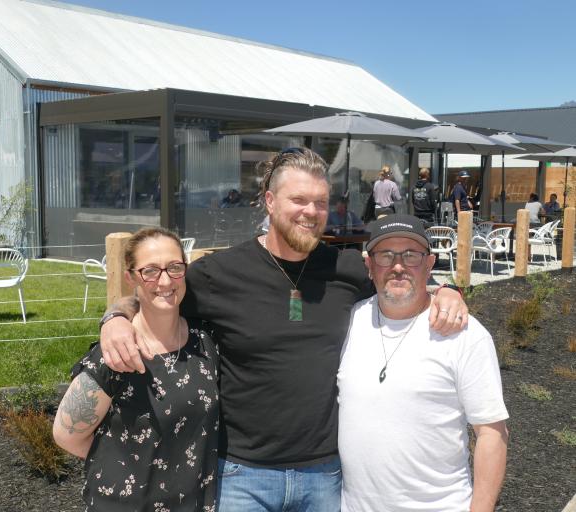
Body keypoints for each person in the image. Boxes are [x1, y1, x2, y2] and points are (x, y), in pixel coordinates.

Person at [98, 148, 468, 512]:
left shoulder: (348, 268)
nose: (311, 212)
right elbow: (159, 294)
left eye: (321, 202)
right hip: (242, 475)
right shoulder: (219, 274)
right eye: (299, 199)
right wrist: (115, 318)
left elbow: (403, 281)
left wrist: (447, 290)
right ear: (270, 201)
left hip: (325, 473)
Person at [338, 214, 509, 512]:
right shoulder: (349, 321)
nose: (399, 266)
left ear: (429, 265)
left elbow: (492, 433)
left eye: (411, 255)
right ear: (369, 266)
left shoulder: (465, 334)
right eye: (386, 255)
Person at [53, 227, 219, 511]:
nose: (165, 280)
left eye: (174, 268)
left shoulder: (204, 342)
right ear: (131, 278)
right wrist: (124, 461)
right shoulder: (117, 353)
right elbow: (67, 435)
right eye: (150, 271)